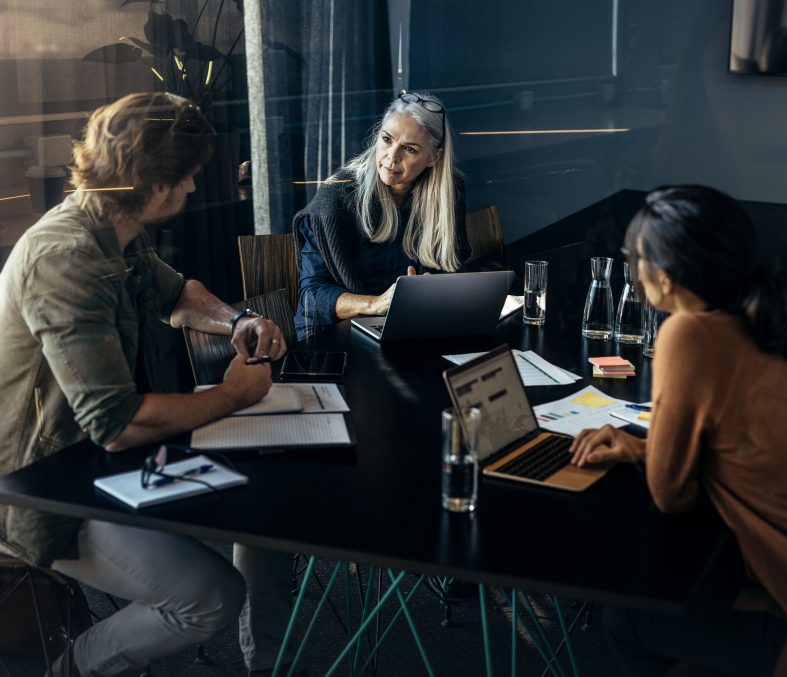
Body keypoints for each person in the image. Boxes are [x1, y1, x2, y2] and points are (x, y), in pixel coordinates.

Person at [570, 186, 787, 677]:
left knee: (627, 619)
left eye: (635, 258)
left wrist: (648, 453)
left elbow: (672, 493)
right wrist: (639, 445)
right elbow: (740, 437)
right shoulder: (773, 320)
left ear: (665, 276)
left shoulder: (687, 333)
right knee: (702, 578)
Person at [0, 92, 290, 677]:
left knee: (269, 512)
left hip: (88, 466)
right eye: (185, 179)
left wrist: (240, 320)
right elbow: (116, 425)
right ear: (155, 185)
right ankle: (67, 670)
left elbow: (178, 295)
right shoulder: (65, 259)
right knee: (210, 596)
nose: (190, 190)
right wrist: (233, 395)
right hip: (34, 488)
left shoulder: (113, 227)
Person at [292, 90, 469, 340]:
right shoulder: (336, 199)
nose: (391, 157)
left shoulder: (448, 192)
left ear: (433, 157)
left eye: (409, 149)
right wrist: (377, 304)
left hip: (408, 328)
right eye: (387, 140)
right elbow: (312, 296)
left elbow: (454, 267)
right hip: (329, 336)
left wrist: (433, 288)